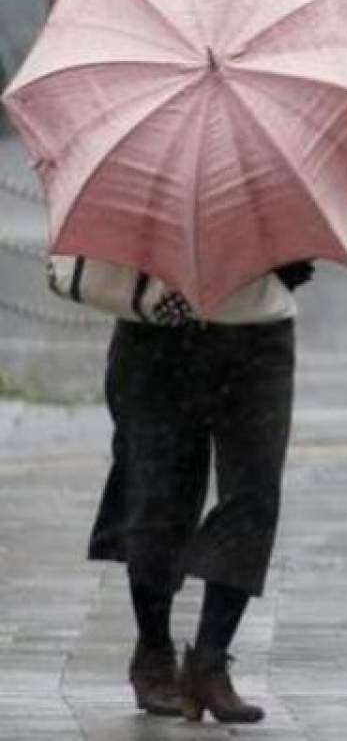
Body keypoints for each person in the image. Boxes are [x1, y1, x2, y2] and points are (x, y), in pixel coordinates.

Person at [51, 257, 313, 723]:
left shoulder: (260, 181)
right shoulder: (138, 183)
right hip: (156, 333)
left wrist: (289, 262)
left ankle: (209, 661)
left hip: (258, 331)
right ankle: (153, 650)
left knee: (254, 494)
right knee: (158, 496)